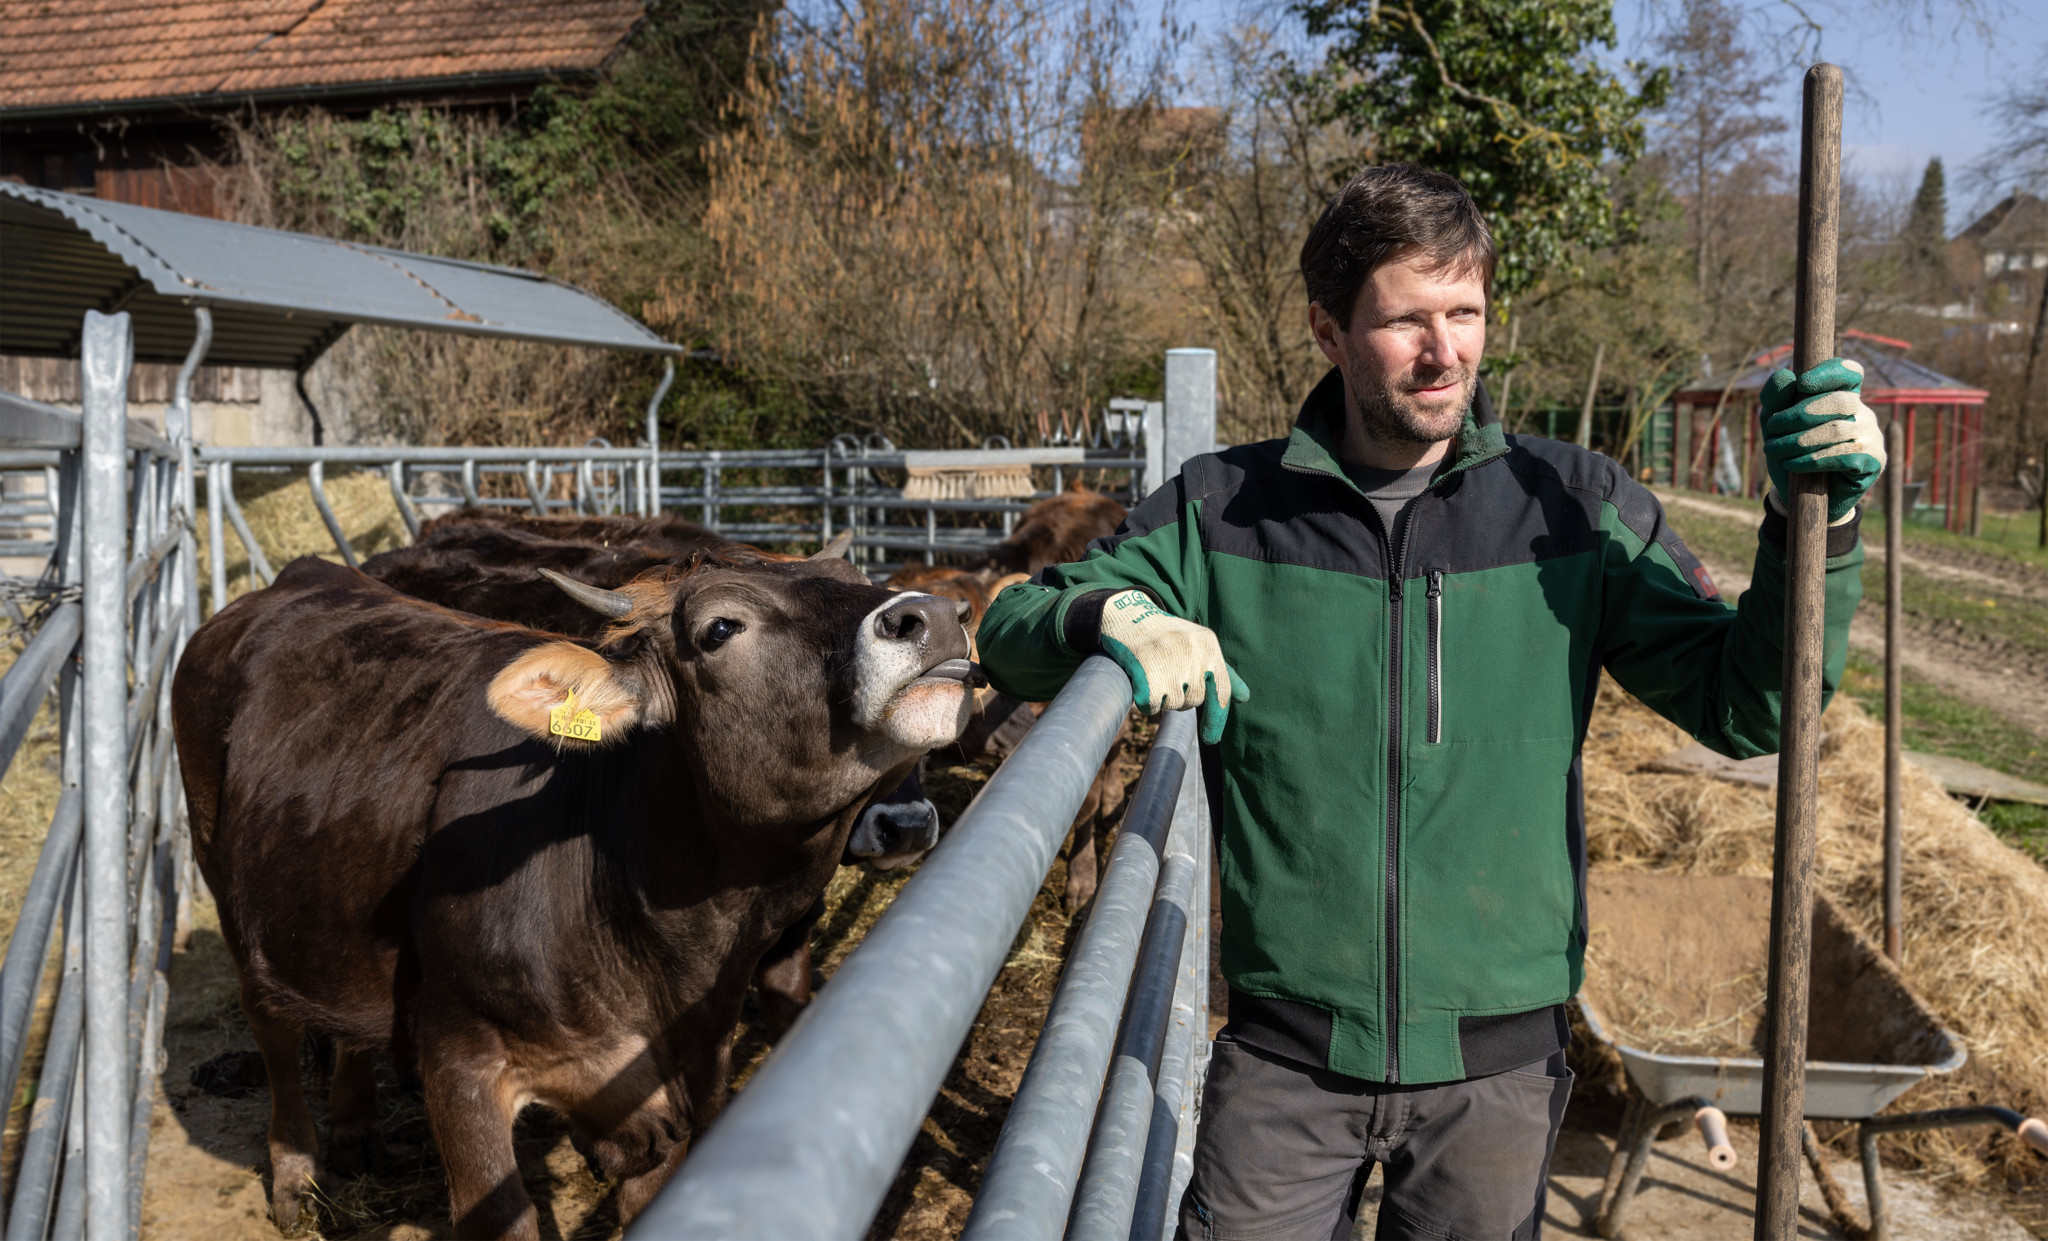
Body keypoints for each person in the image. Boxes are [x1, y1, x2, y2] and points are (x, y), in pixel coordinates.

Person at [974, 163, 1882, 1240]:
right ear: (1326, 330)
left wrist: (1810, 526)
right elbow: (1009, 625)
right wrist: (1111, 617)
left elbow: (1751, 707)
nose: (1443, 351)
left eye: (1466, 314)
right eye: (1405, 319)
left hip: (1496, 1076)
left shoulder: (1572, 509)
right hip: (1283, 1061)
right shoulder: (1224, 511)